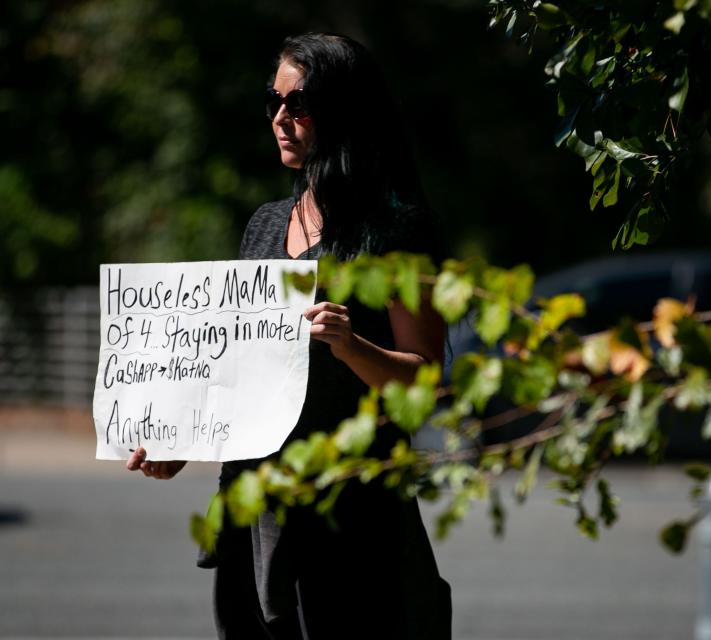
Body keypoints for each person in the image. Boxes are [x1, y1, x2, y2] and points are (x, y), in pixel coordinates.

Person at [126, 32, 452, 638]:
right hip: (252, 514)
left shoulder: (397, 232)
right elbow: (239, 370)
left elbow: (426, 380)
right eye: (273, 101)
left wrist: (353, 345)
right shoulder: (264, 225)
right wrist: (180, 442)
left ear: (343, 110)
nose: (280, 117)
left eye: (298, 103)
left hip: (349, 521)